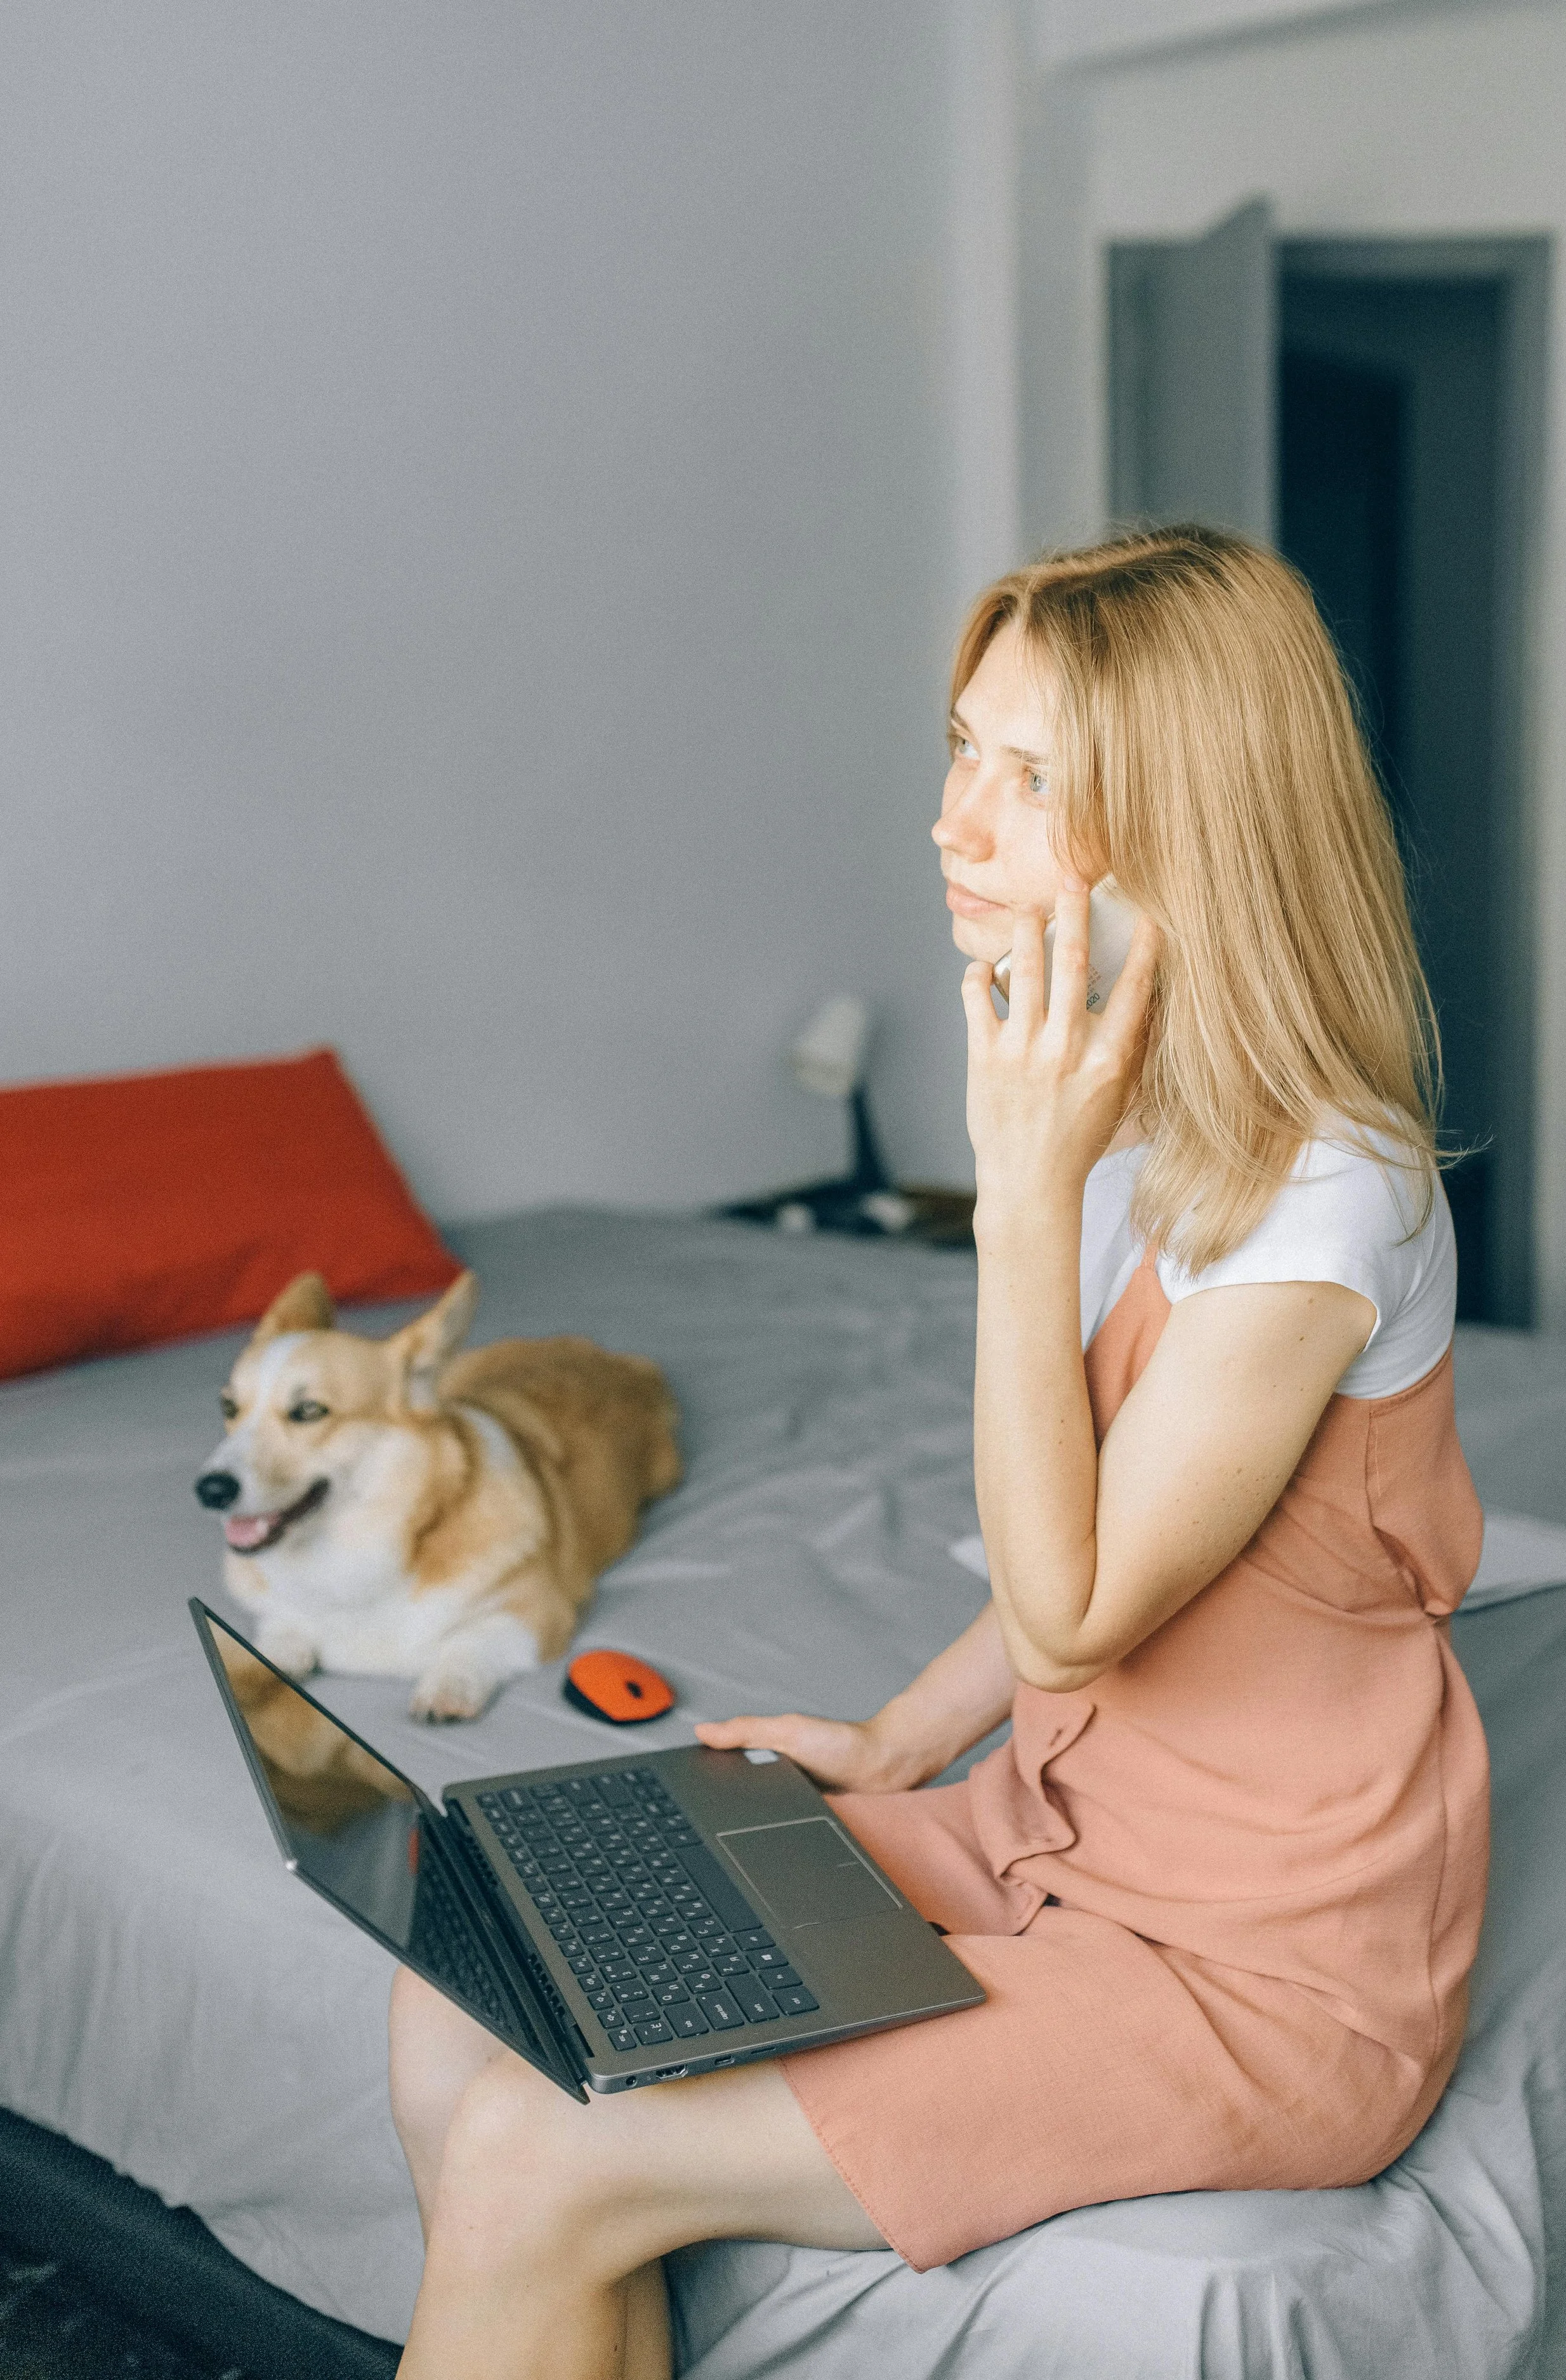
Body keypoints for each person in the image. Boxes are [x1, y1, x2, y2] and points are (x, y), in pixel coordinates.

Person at [387, 525, 1487, 2380]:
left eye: (1030, 773)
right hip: (1045, 1835)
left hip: (1254, 1968)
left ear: (1192, 815)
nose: (951, 821)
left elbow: (1068, 1617)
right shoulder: (1128, 1102)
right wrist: (897, 1742)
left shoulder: (1326, 1189)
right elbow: (1113, 1517)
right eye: (959, 747)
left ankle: (537, 2241)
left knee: (540, 2151)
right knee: (463, 1969)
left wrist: (1021, 1199)